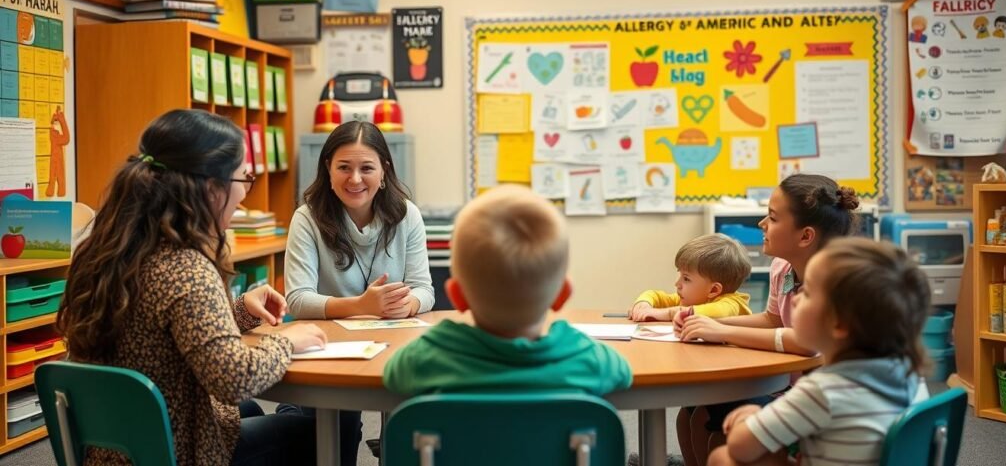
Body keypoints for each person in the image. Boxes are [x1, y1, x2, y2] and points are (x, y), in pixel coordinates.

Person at [57, 109, 327, 466]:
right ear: (212, 189)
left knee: (248, 411)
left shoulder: (102, 251)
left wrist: (240, 311)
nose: (243, 196)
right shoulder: (187, 269)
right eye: (242, 179)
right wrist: (287, 341)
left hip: (113, 444)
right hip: (171, 451)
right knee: (317, 431)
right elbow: (233, 378)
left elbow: (161, 331)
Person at [673, 173, 860, 466]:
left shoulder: (835, 280)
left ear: (805, 236)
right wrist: (699, 320)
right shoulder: (781, 267)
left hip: (821, 405)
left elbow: (803, 342)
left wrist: (721, 330)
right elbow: (773, 320)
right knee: (694, 412)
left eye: (772, 218)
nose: (762, 224)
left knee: (720, 424)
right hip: (792, 387)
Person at [383, 184, 632, 396]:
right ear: (562, 295)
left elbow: (392, 375)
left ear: (457, 296)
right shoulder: (589, 360)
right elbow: (624, 374)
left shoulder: (426, 358)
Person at [284, 120, 434, 464]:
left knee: (405, 416)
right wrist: (361, 305)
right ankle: (297, 413)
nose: (354, 179)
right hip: (328, 349)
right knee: (340, 426)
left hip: (394, 345)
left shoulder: (406, 215)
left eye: (366, 168)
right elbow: (298, 299)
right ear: (327, 170)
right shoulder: (307, 218)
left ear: (384, 170)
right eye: (343, 168)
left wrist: (408, 303)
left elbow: (425, 289)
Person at [707, 238, 930, 466]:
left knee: (723, 458)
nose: (794, 300)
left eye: (808, 293)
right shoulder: (910, 374)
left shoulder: (822, 391)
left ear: (840, 324)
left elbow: (740, 447)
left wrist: (748, 415)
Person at [629, 233, 752, 322]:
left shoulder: (733, 304)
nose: (677, 283)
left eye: (686, 278)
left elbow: (712, 312)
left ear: (714, 290)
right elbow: (655, 295)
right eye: (680, 275)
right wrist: (643, 304)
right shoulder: (688, 300)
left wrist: (666, 313)